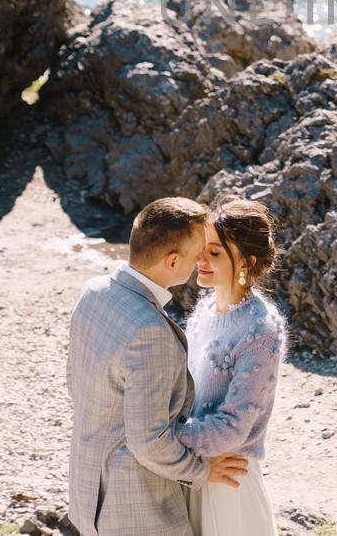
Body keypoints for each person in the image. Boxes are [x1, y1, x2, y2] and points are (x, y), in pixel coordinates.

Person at [67, 197, 250, 536]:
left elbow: (78, 384)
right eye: (198, 253)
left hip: (86, 487)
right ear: (172, 261)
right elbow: (148, 441)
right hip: (134, 505)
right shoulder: (149, 332)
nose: (201, 261)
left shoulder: (92, 292)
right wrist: (202, 470)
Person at [181, 199, 289, 536]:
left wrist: (167, 440)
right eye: (202, 248)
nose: (200, 259)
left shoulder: (261, 330)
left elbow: (233, 427)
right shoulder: (205, 309)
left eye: (214, 253)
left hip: (229, 482)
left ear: (246, 261)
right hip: (196, 470)